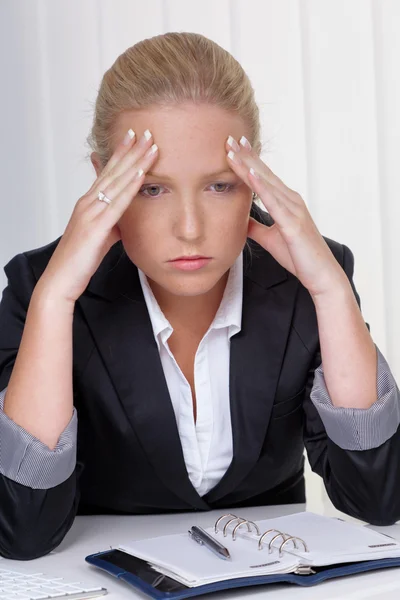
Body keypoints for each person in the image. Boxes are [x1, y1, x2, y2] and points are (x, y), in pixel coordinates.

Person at [0, 32, 399, 562]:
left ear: (255, 180)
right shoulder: (41, 289)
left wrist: (329, 290)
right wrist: (55, 300)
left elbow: (377, 499)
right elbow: (22, 532)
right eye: (151, 188)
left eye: (219, 186)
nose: (189, 229)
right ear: (104, 181)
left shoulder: (308, 279)